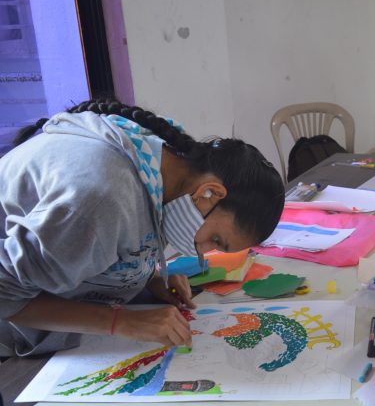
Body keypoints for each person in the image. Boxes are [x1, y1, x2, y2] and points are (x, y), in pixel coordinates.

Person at [0, 99, 285, 357]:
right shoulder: (100, 201)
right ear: (209, 192)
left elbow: (121, 232)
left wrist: (145, 274)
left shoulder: (168, 170)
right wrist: (121, 322)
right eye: (216, 240)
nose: (203, 251)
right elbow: (6, 295)